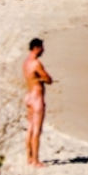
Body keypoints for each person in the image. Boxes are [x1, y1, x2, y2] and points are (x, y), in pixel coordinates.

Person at [23, 38, 53, 167]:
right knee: (36, 130)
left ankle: (29, 157)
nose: (43, 50)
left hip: (29, 95)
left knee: (30, 128)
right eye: (42, 47)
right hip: (37, 98)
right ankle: (35, 160)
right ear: (36, 48)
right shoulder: (36, 63)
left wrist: (39, 78)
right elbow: (49, 79)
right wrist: (42, 78)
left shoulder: (26, 62)